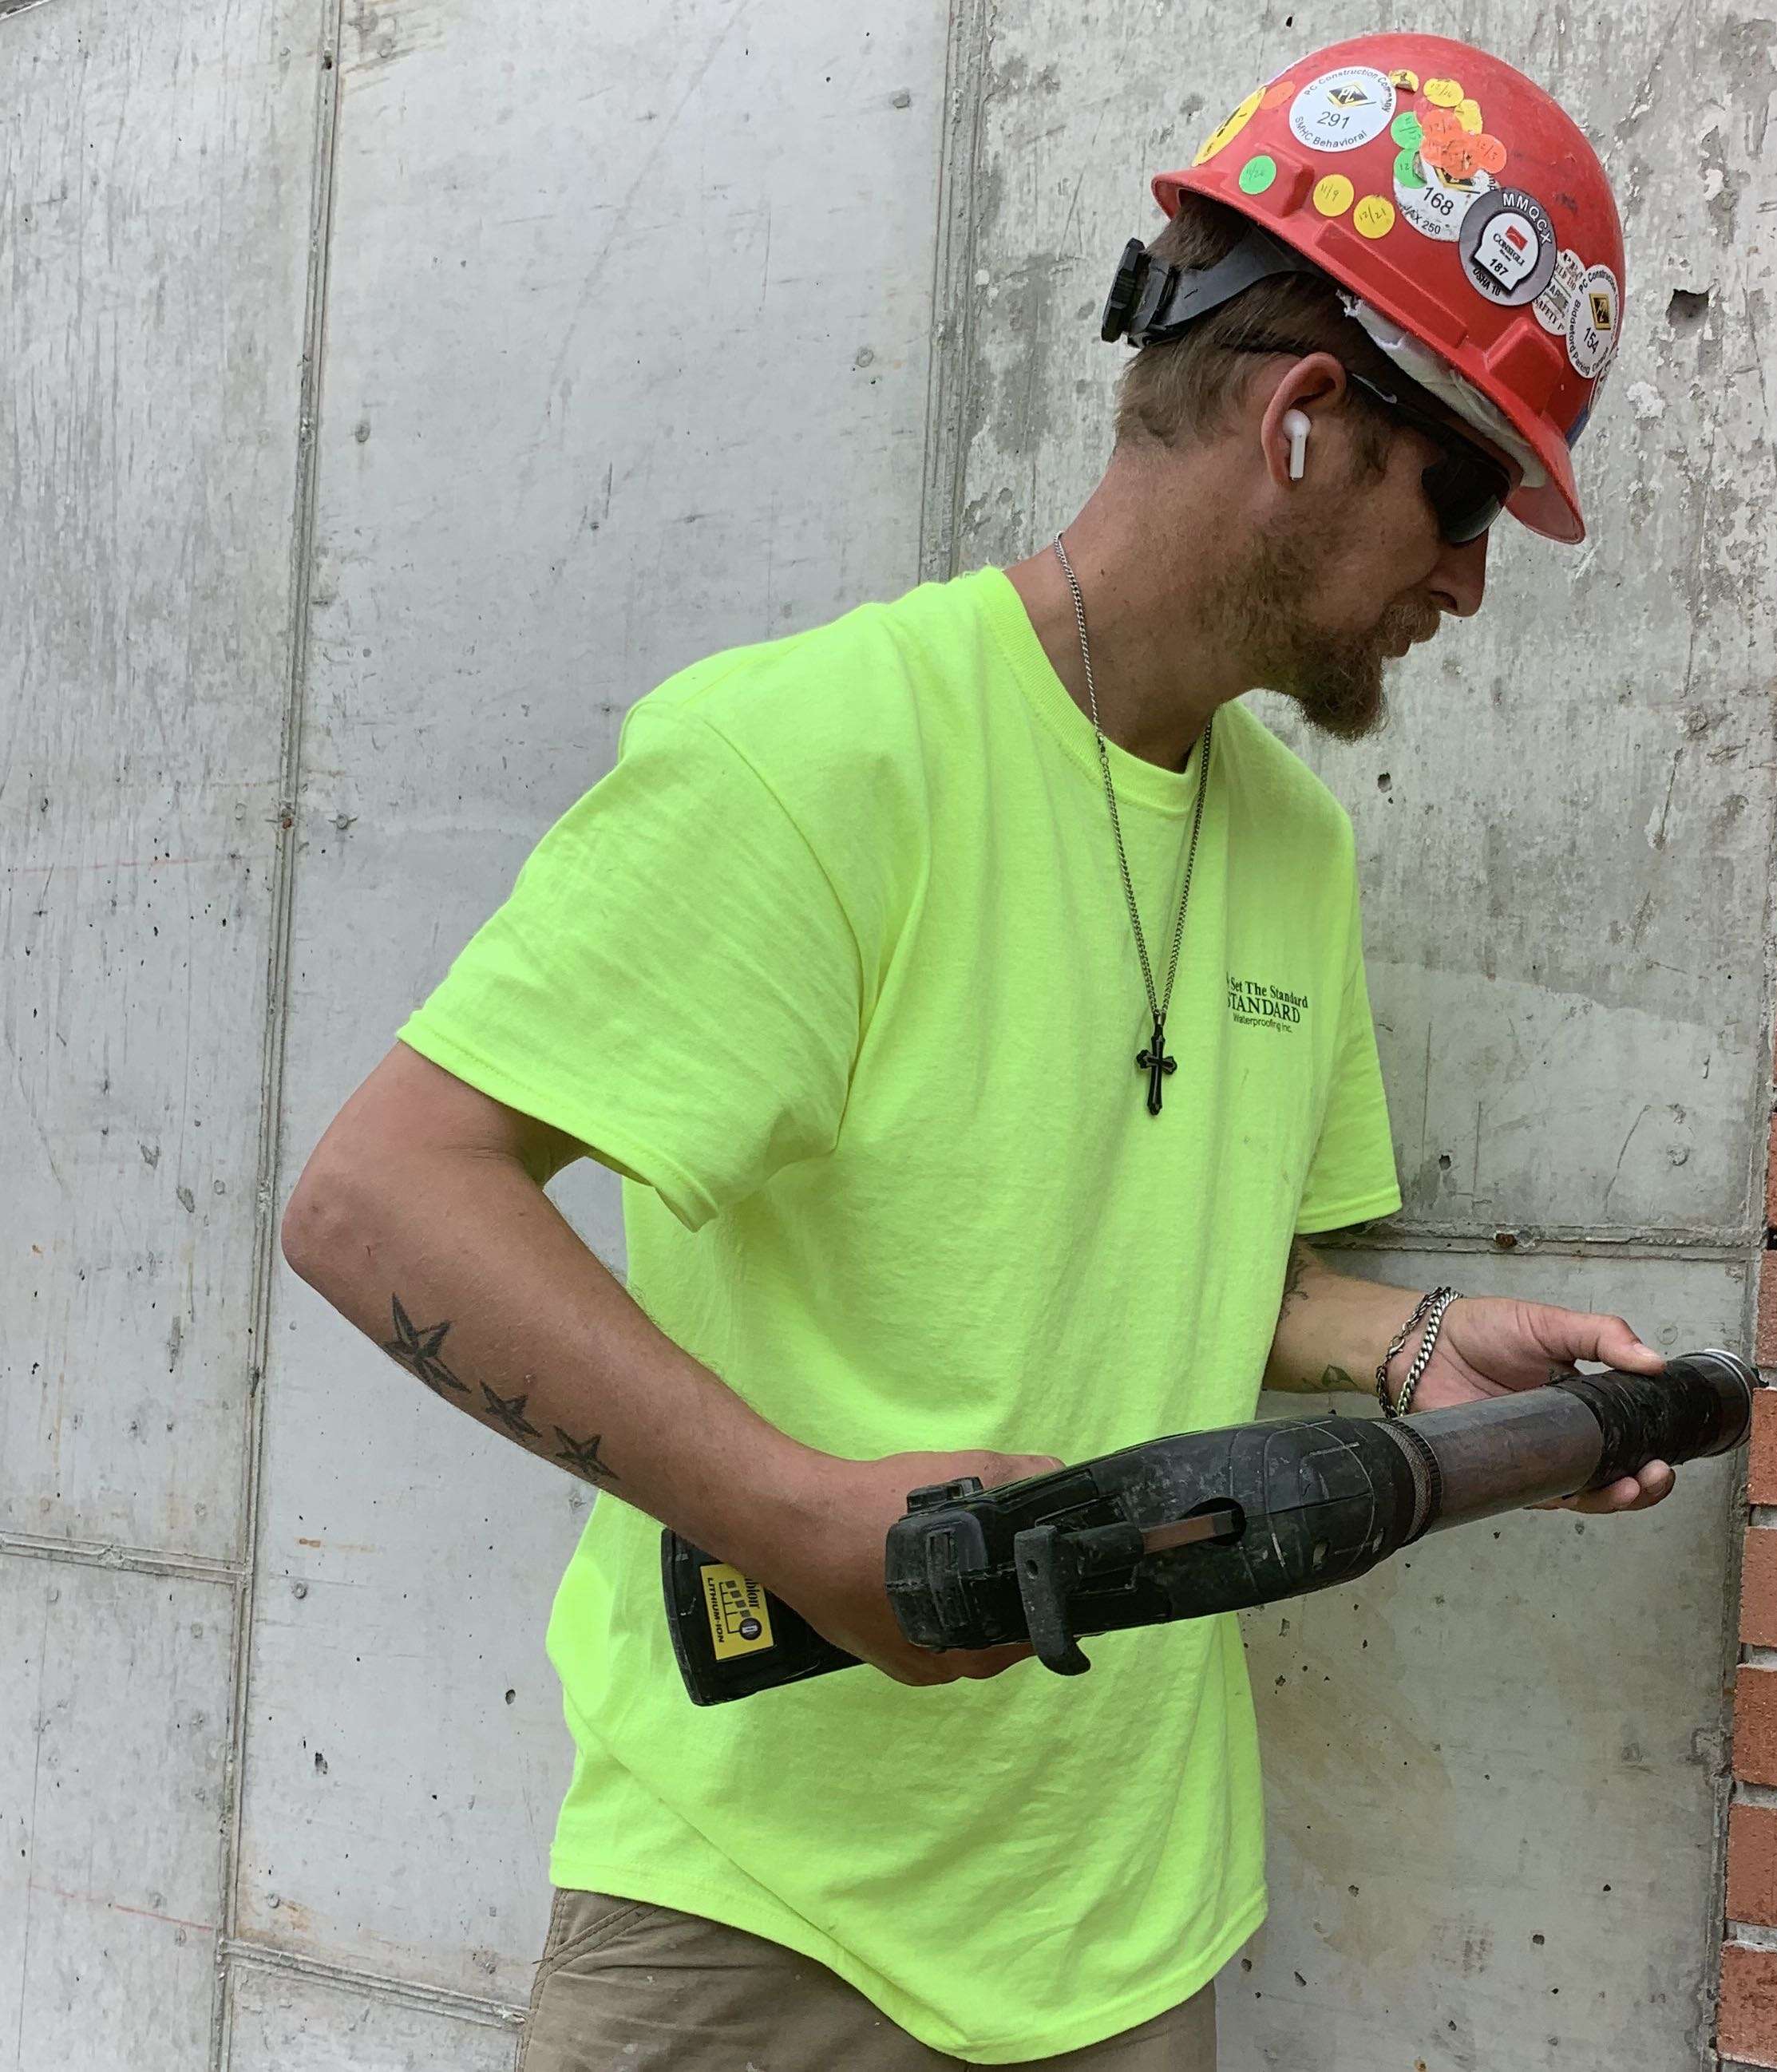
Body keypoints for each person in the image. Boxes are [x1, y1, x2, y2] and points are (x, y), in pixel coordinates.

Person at [281, 30, 1666, 2071]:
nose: (1469, 579)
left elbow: (1195, 1259)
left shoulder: (1292, 847)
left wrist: (1413, 1346)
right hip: (761, 1929)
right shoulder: (820, 750)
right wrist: (806, 1523)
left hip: (1130, 1923)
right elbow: (380, 1196)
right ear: (1303, 417)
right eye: (1461, 491)